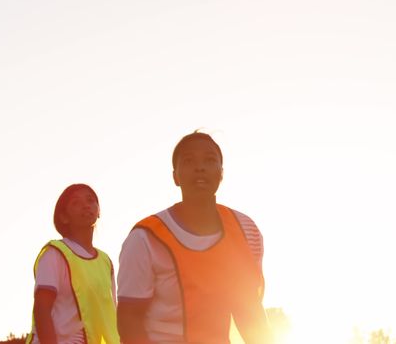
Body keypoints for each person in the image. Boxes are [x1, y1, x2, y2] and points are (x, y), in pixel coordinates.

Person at [116, 131, 271, 344]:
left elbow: (249, 311)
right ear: (175, 176)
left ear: (221, 173)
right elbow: (129, 318)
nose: (200, 167)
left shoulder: (245, 230)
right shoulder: (145, 237)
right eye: (188, 161)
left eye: (209, 160)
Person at [27, 184, 120, 344]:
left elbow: (111, 315)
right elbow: (42, 309)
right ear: (63, 217)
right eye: (76, 203)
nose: (85, 205)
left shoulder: (106, 261)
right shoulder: (54, 253)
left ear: (99, 212)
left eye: (90, 200)